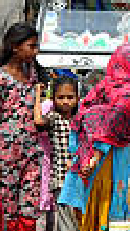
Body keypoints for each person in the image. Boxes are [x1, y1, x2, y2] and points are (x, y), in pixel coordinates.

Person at [58, 44, 130, 231]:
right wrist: (95, 156)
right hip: (106, 158)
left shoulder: (103, 87)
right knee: (106, 205)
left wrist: (78, 154)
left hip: (87, 156)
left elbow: (84, 116)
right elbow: (109, 128)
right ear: (129, 65)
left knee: (91, 207)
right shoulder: (129, 94)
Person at [0, 22, 49, 231]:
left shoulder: (34, 75)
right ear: (15, 47)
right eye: (31, 46)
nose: (35, 52)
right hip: (5, 157)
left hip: (31, 154)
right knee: (8, 213)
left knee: (29, 209)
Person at [36, 76, 82, 231]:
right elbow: (38, 122)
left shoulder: (80, 119)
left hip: (80, 178)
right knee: (64, 220)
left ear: (77, 98)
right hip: (61, 179)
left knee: (77, 218)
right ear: (53, 99)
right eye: (61, 97)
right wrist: (38, 96)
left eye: (70, 97)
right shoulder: (54, 118)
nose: (66, 101)